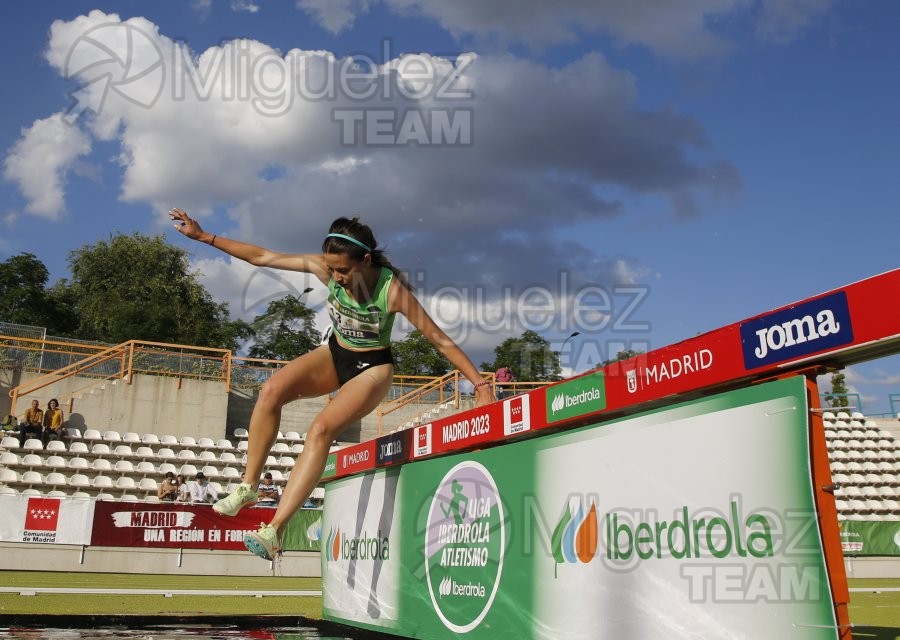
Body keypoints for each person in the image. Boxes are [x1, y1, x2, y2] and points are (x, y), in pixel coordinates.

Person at [169, 207, 495, 560]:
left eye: (343, 270)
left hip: (372, 367)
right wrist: (205, 237)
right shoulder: (327, 268)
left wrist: (479, 385)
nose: (336, 277)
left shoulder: (392, 291)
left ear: (366, 260)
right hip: (335, 354)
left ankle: (273, 531)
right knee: (271, 391)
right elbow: (263, 257)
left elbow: (438, 338)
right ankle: (248, 486)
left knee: (321, 429)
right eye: (332, 269)